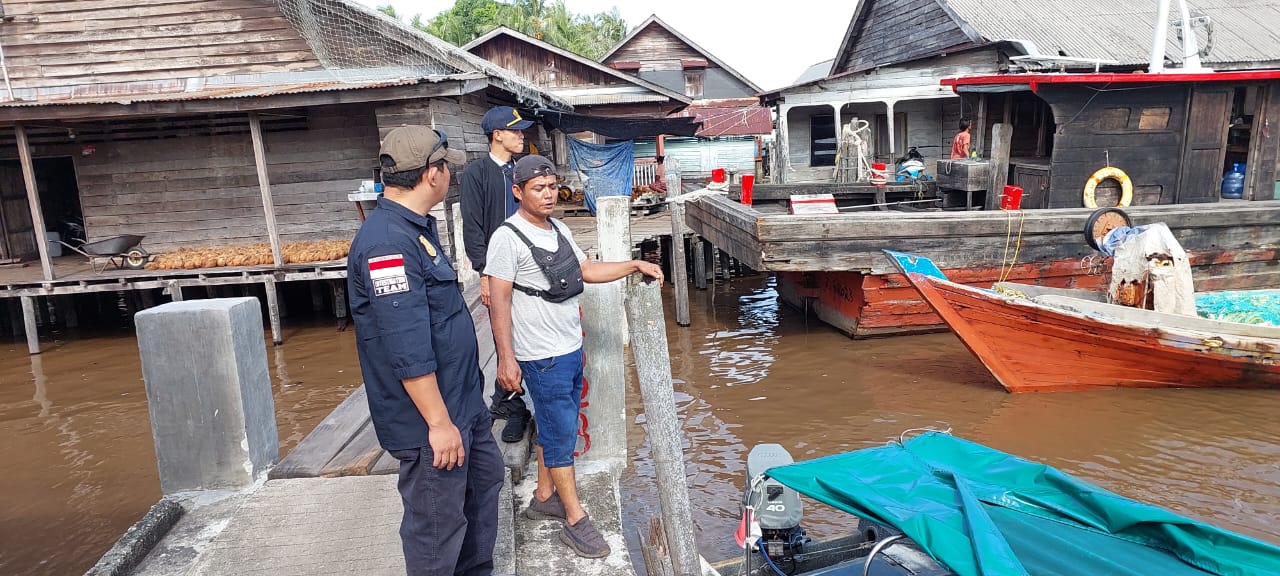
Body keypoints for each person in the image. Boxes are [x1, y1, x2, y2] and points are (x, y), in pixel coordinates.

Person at [485, 155, 665, 559]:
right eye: (538, 189)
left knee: (555, 429)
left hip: (568, 347)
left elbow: (586, 270)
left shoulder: (560, 228)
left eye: (551, 187)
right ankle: (575, 520)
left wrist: (634, 264)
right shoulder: (507, 238)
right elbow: (497, 301)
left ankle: (545, 496)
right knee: (560, 434)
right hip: (539, 355)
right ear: (518, 192)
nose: (548, 195)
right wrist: (505, 359)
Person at [348, 126, 504, 576]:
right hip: (431, 420)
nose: (449, 174)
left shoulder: (415, 228)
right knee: (437, 528)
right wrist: (438, 424)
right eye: (446, 166)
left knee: (482, 489)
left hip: (463, 403)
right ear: (432, 174)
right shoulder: (387, 244)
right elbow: (405, 344)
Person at [461, 105, 536, 442]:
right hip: (498, 271)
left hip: (529, 267)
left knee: (530, 332)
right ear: (497, 135)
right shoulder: (477, 173)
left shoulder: (522, 170)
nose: (522, 136)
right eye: (515, 131)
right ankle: (514, 405)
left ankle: (517, 398)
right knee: (505, 337)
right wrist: (484, 272)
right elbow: (473, 228)